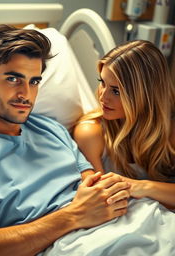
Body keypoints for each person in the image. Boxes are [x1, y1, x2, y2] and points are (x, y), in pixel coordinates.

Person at [0, 25, 130, 256]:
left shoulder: (50, 128)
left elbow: (93, 184)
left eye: (34, 82)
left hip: (123, 226)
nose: (26, 94)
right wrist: (74, 215)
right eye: (13, 79)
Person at [73, 40, 175, 209]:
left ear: (145, 95)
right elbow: (102, 199)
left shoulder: (170, 133)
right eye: (102, 82)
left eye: (116, 91)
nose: (103, 97)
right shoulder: (91, 133)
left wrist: (143, 187)